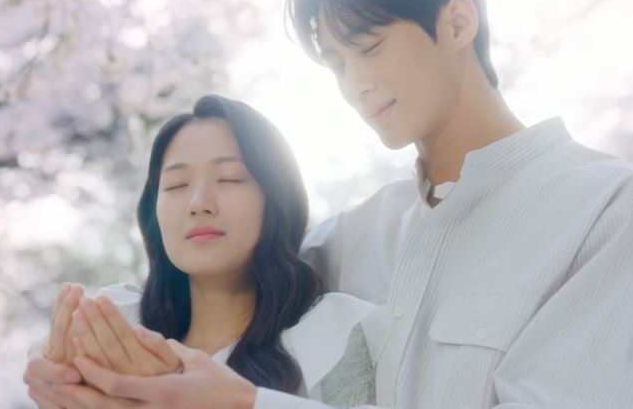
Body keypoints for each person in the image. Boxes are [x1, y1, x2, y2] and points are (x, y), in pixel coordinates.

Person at [25, 0, 633, 407]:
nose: (355, 84)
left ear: (457, 21)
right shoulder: (354, 237)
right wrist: (84, 344)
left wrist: (249, 405)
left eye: (369, 48)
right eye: (337, 64)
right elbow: (212, 288)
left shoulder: (606, 213)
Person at [24, 95, 381, 408]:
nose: (198, 203)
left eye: (229, 178)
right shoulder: (122, 327)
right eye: (176, 185)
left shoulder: (328, 335)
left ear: (277, 199)